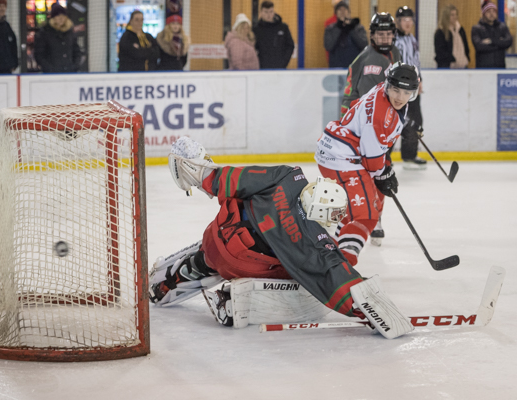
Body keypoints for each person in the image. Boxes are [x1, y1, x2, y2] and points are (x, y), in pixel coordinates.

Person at [148, 136, 414, 340]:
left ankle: (180, 274)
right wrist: (375, 312)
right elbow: (345, 284)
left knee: (228, 233)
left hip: (219, 234)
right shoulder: (317, 244)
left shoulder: (288, 178)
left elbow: (232, 179)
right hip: (240, 266)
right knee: (305, 278)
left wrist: (204, 173)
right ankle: (234, 297)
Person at [315, 62, 420, 266]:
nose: (399, 97)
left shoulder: (382, 89)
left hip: (335, 151)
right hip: (344, 159)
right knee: (366, 217)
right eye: (396, 90)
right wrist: (384, 174)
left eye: (406, 92)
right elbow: (372, 161)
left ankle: (332, 256)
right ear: (389, 85)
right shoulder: (380, 116)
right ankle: (342, 267)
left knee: (352, 213)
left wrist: (384, 168)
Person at [340, 13, 401, 116]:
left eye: (388, 34)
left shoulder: (394, 51)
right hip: (356, 115)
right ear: (372, 35)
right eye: (380, 34)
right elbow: (370, 101)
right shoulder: (371, 61)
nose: (385, 38)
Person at [394, 6, 426, 170]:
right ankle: (383, 157)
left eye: (410, 20)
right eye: (404, 20)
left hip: (412, 88)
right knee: (391, 121)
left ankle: (409, 155)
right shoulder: (394, 40)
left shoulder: (412, 39)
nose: (408, 23)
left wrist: (420, 79)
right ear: (398, 22)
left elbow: (416, 61)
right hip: (397, 88)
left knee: (415, 120)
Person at [34, 3, 83, 73]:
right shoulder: (45, 33)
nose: (61, 18)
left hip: (69, 72)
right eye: (58, 16)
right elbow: (39, 54)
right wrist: (49, 69)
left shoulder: (70, 32)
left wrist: (74, 66)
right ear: (53, 18)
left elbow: (76, 51)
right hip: (51, 74)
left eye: (63, 16)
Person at [323, 2, 367, 68]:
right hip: (336, 66)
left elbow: (363, 44)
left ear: (348, 12)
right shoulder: (330, 29)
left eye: (344, 10)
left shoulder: (358, 27)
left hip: (355, 66)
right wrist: (339, 27)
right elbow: (328, 46)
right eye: (340, 10)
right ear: (336, 13)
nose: (342, 12)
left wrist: (351, 27)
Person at [253, 1, 295, 69]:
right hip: (262, 68)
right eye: (266, 12)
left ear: (274, 12)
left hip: (280, 68)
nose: (269, 15)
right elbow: (253, 48)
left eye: (271, 11)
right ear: (260, 12)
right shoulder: (256, 30)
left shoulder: (283, 28)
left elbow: (290, 45)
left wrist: (284, 62)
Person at [472, 1, 513, 69]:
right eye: (488, 12)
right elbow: (479, 46)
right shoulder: (477, 29)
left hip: (500, 68)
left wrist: (491, 41)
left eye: (493, 11)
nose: (491, 14)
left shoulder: (502, 27)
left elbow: (509, 42)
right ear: (484, 13)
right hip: (483, 68)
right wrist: (500, 43)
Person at [434, 5, 470, 69]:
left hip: (462, 66)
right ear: (446, 16)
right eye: (452, 15)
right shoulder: (440, 32)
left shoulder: (461, 30)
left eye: (456, 14)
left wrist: (466, 58)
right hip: (447, 67)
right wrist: (453, 59)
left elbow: (466, 47)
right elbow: (440, 52)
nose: (455, 17)